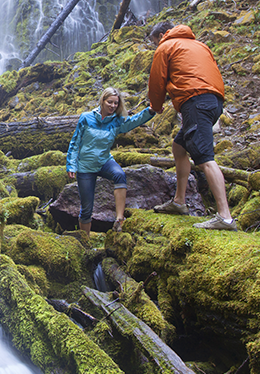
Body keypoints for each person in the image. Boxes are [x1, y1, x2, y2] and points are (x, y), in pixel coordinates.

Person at [146, 21, 237, 230]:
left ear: (161, 35)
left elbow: (157, 81)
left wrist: (156, 106)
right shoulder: (199, 45)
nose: (154, 46)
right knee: (179, 146)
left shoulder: (166, 47)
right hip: (213, 102)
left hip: (195, 101)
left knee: (204, 158)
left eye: (153, 42)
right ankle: (179, 201)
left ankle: (225, 216)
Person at [66, 86, 156, 236]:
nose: (113, 106)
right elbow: (75, 143)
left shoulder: (116, 121)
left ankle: (119, 219)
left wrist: (150, 111)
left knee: (119, 174)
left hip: (104, 161)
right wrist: (71, 165)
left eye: (116, 103)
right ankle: (85, 242)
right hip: (85, 166)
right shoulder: (86, 118)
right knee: (86, 208)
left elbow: (134, 121)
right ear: (102, 100)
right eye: (110, 102)